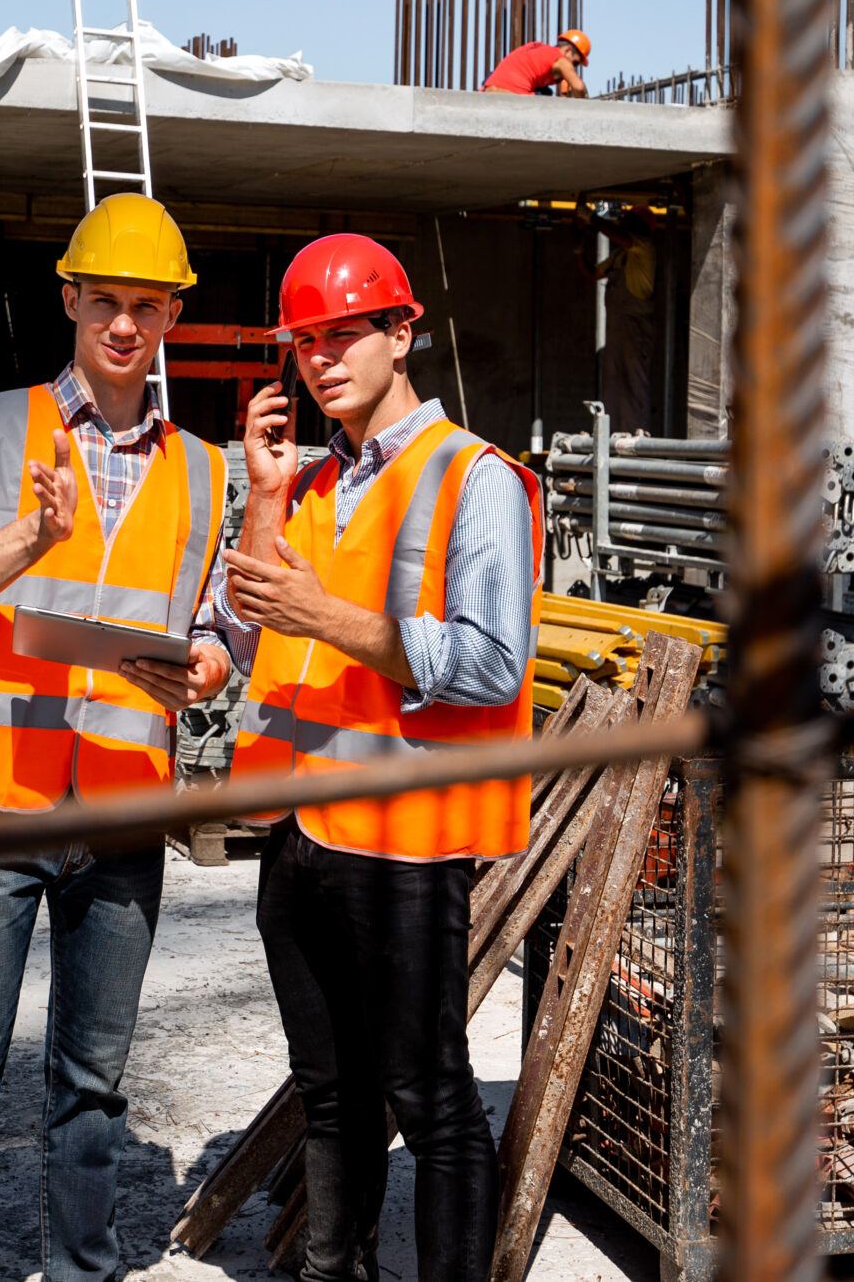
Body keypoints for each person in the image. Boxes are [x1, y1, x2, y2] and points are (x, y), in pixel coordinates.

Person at [0, 192, 233, 1282]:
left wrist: (215, 663)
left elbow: (223, 626)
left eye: (145, 305)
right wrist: (28, 537)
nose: (123, 325)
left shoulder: (203, 469)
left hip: (124, 815)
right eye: (103, 303)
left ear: (173, 314)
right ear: (70, 302)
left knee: (91, 1094)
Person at [212, 233, 540, 1282]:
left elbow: (490, 664)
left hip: (404, 841)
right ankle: (330, 1269)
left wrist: (331, 614)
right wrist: (261, 500)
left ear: (403, 333)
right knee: (331, 1091)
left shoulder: (472, 479)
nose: (320, 357)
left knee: (429, 1098)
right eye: (305, 340)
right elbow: (256, 635)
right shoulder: (308, 486)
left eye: (344, 332)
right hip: (302, 832)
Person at [480, 27, 591, 97]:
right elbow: (579, 87)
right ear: (568, 50)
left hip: (487, 91)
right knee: (546, 95)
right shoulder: (560, 60)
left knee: (543, 90)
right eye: (575, 63)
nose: (573, 67)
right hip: (513, 96)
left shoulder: (535, 47)